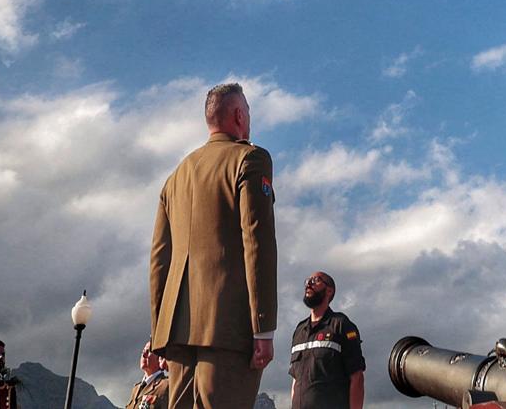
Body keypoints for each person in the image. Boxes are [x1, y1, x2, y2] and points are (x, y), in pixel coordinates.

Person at [149, 82, 278, 409]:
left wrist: (159, 335)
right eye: (248, 112)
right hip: (228, 328)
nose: (249, 118)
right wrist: (263, 327)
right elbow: (257, 243)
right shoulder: (250, 159)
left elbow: (159, 260)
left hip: (177, 331)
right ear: (238, 115)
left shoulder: (175, 177)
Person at [287, 272, 364, 409]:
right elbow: (295, 381)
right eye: (308, 280)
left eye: (316, 280)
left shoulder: (341, 325)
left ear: (329, 291)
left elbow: (357, 377)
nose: (309, 284)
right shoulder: (299, 331)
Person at [123, 344, 167, 409]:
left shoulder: (166, 385)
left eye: (148, 352)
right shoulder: (136, 388)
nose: (144, 355)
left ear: (160, 357)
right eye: (143, 351)